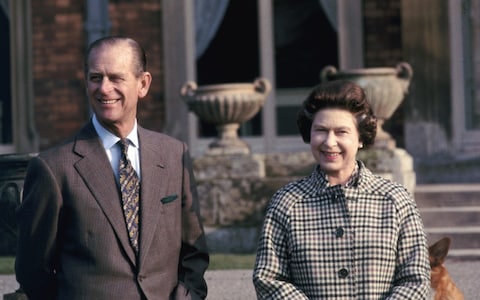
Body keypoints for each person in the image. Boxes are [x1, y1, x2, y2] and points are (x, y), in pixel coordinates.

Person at [15, 36, 209, 300]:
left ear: (143, 84)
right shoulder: (53, 168)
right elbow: (33, 270)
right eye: (96, 78)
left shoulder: (174, 154)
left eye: (116, 78)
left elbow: (194, 253)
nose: (104, 89)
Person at [252, 80, 430, 299]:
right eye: (321, 130)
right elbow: (269, 278)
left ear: (361, 138)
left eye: (341, 132)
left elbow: (415, 279)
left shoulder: (395, 200)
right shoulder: (287, 202)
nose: (330, 142)